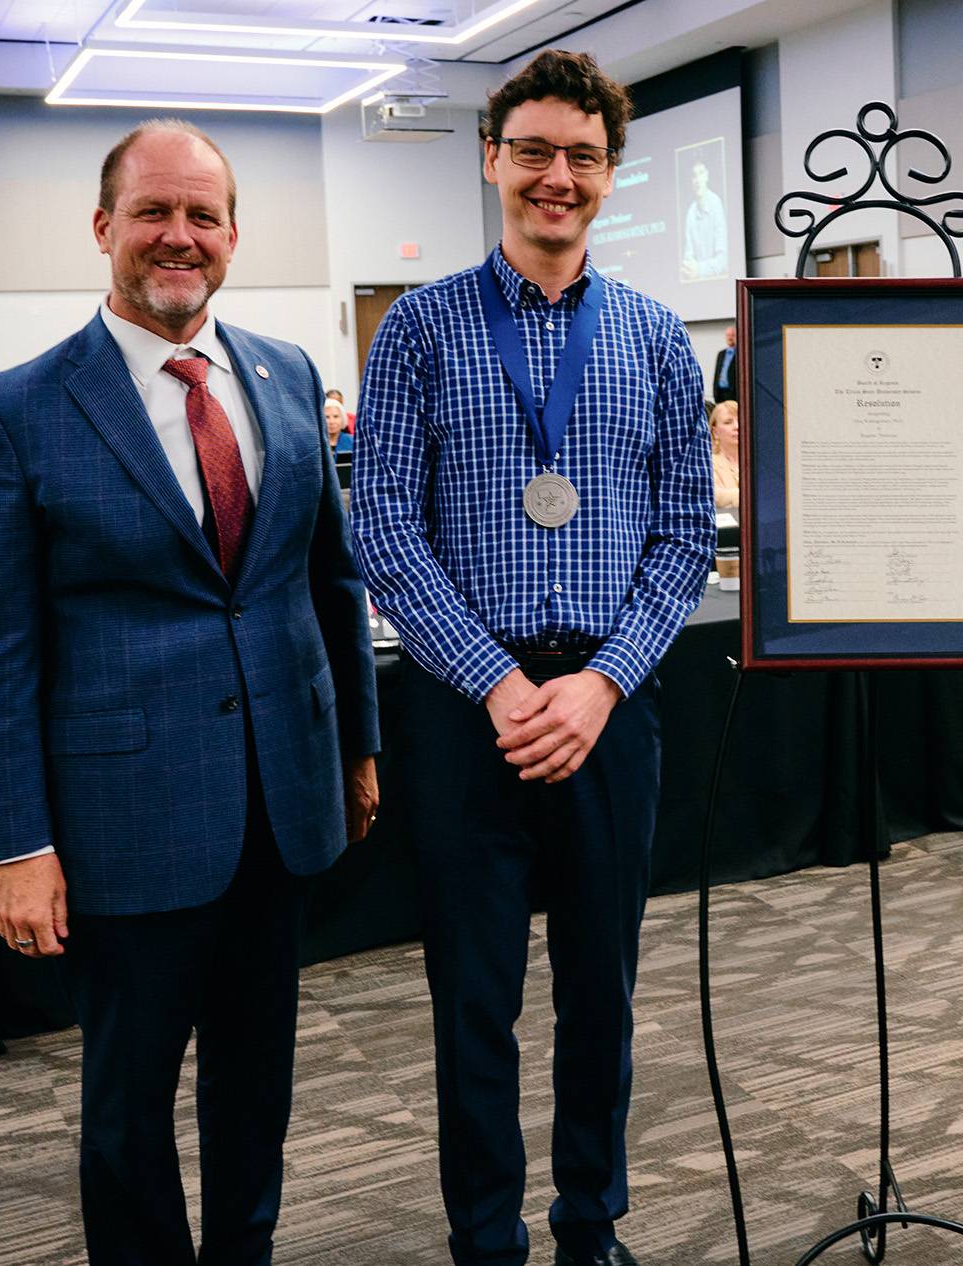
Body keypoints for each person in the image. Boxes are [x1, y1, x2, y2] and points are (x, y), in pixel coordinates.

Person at [0, 117, 381, 1266]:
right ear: (105, 227)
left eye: (203, 215)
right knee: (129, 1107)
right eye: (153, 212)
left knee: (257, 1085)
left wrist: (357, 746)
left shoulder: (287, 375)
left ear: (233, 234)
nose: (178, 235)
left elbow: (327, 579)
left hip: (280, 805)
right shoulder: (19, 406)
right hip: (124, 822)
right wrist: (18, 843)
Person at [351, 49, 711, 1266]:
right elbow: (383, 529)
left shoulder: (655, 338)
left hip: (611, 705)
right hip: (469, 711)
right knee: (475, 997)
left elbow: (682, 536)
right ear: (492, 160)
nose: (559, 176)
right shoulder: (419, 329)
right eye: (536, 152)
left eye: (584, 157)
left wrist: (601, 683)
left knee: (603, 988)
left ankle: (589, 1223)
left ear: (611, 176)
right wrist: (500, 685)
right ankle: (485, 1237)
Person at [680, 158, 728, 281]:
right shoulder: (690, 212)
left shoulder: (716, 204)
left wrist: (700, 270)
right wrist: (688, 267)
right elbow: (688, 256)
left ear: (707, 176)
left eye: (701, 173)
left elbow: (723, 260)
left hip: (718, 283)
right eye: (694, 176)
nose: (697, 180)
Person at [708, 398, 739, 514]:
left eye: (740, 420)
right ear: (715, 432)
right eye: (728, 422)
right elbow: (714, 495)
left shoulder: (760, 462)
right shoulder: (707, 463)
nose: (737, 426)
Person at [712, 325, 738, 405]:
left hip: (733, 393)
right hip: (720, 393)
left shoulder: (741, 353)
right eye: (728, 335)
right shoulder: (721, 354)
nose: (730, 338)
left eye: (732, 335)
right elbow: (717, 373)